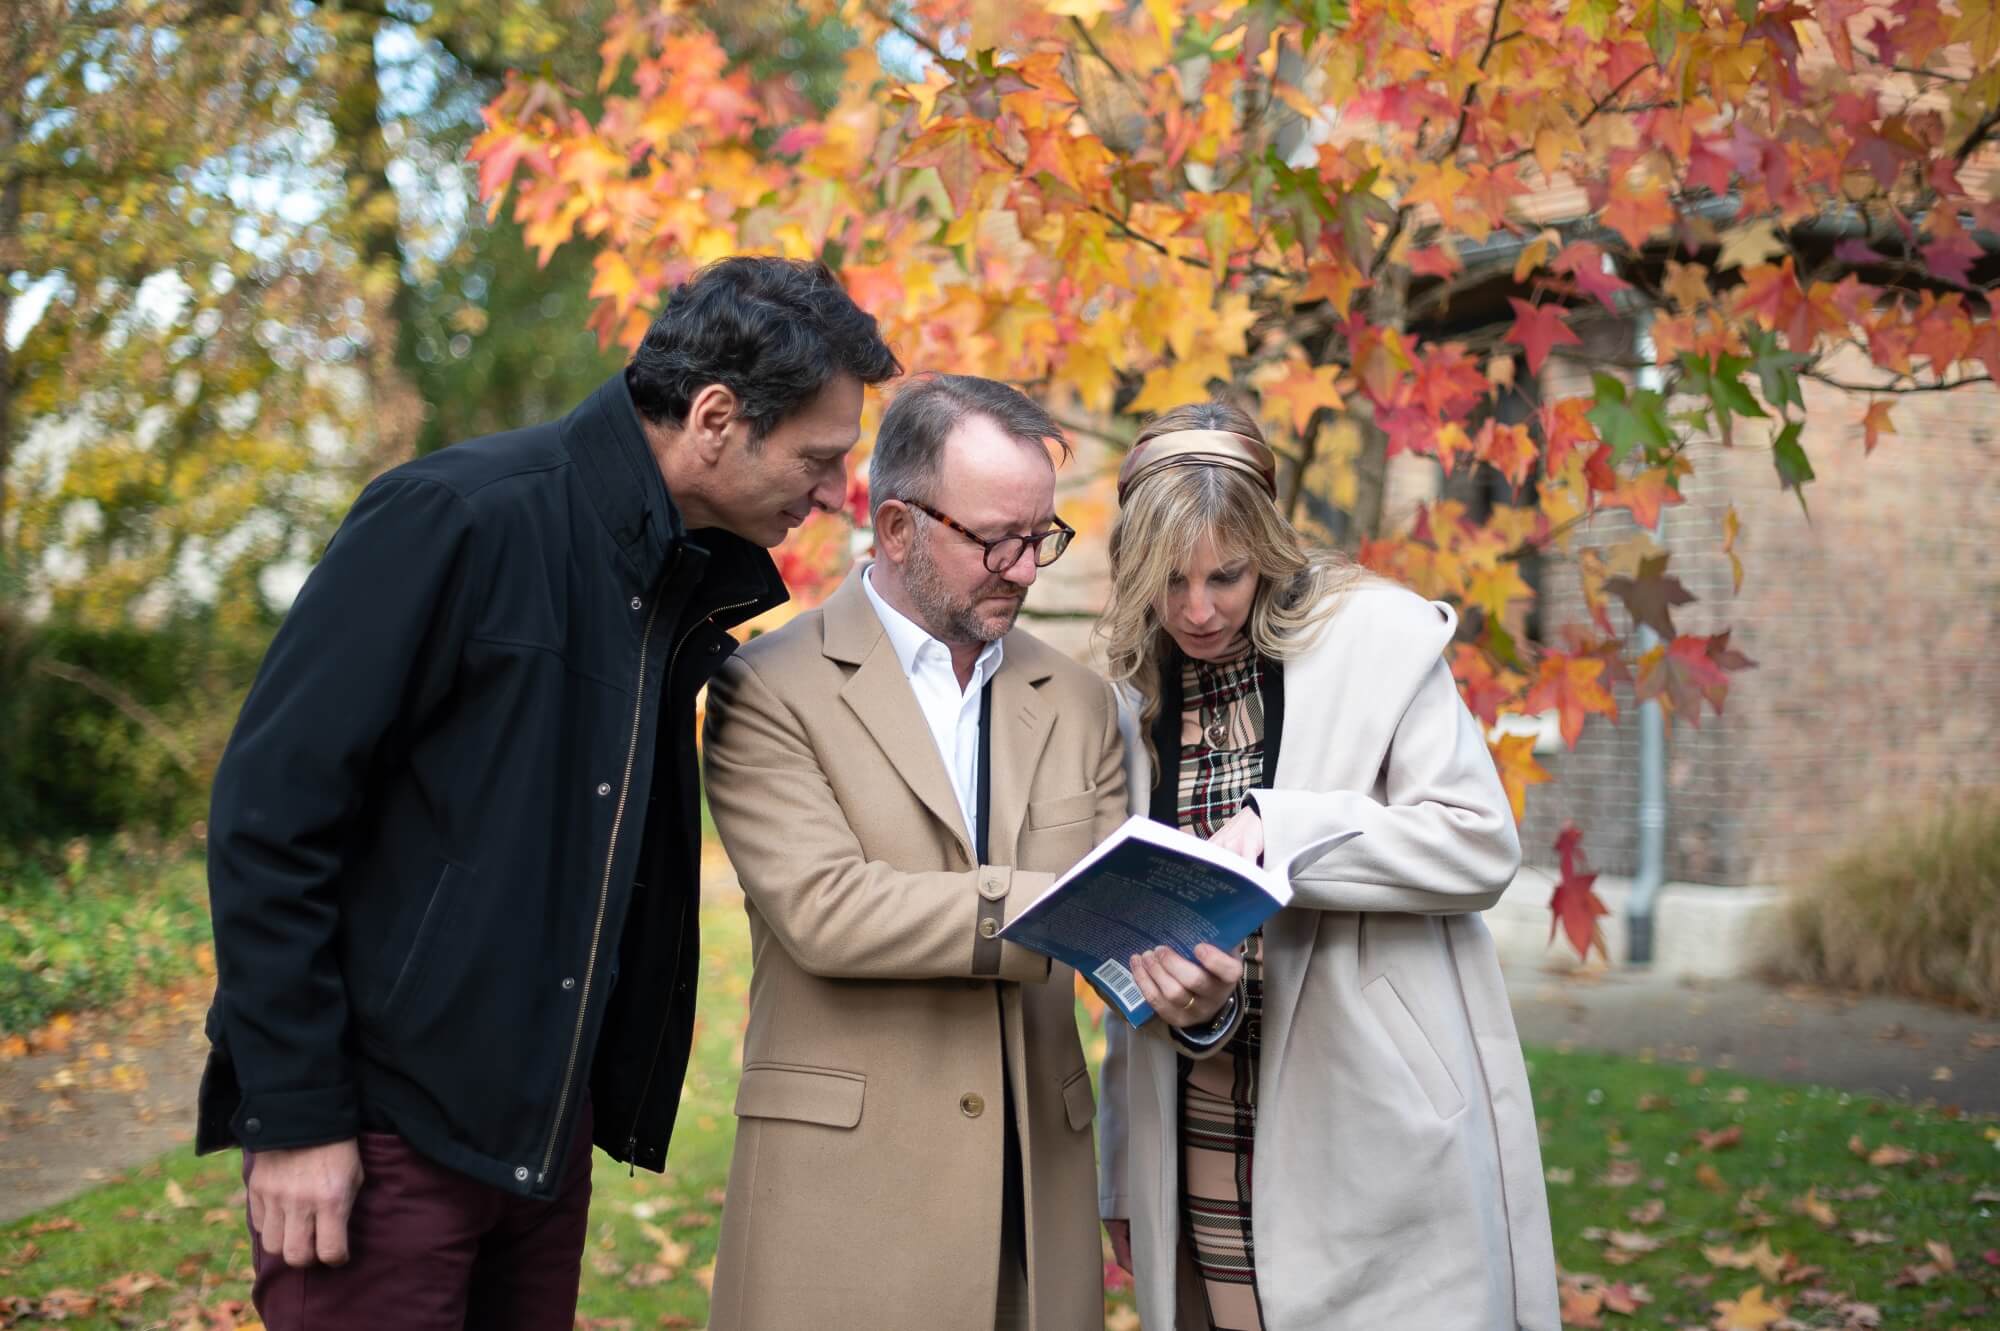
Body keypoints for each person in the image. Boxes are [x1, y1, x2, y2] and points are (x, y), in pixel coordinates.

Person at [196, 257, 900, 1329]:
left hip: (536, 1140)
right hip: (384, 1137)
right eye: (817, 458)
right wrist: (294, 1114)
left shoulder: (670, 582)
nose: (830, 493)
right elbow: (267, 819)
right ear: (715, 417)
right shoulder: (454, 517)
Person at [1094, 400, 1559, 1331]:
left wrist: (1283, 829)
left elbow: (1479, 842)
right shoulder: (1125, 691)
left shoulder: (1378, 637)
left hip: (1375, 1109)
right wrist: (1122, 1165)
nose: (1198, 608)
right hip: (1200, 1110)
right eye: (1167, 580)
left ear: (1266, 545)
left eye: (1225, 575)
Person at [700, 374, 1124, 1330]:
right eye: (994, 540)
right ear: (895, 528)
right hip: (841, 1205)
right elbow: (828, 911)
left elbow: (1117, 914)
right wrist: (1063, 903)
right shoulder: (764, 689)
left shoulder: (1082, 700)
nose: (1024, 567)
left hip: (1033, 1200)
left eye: (1040, 537)